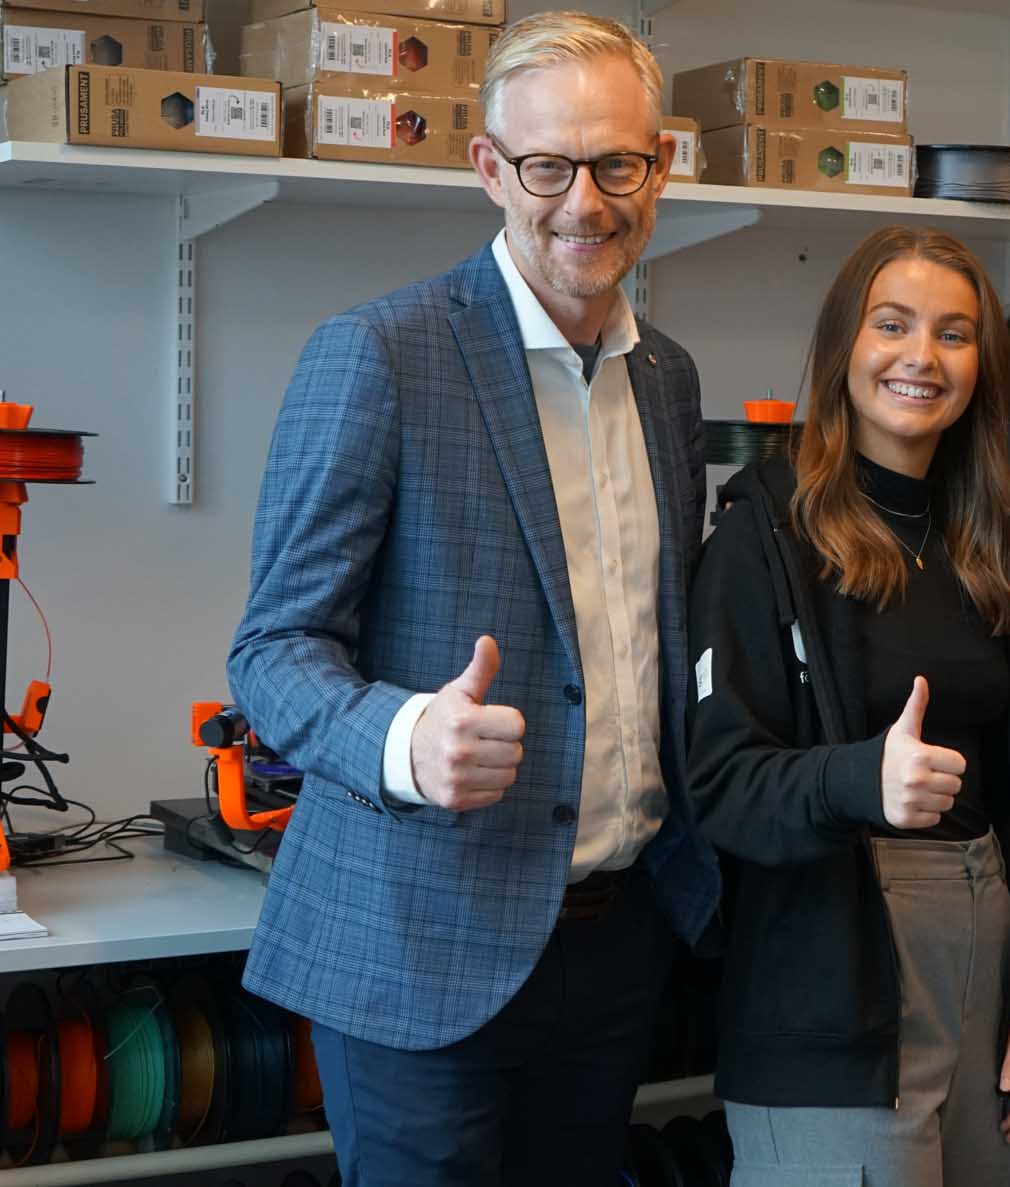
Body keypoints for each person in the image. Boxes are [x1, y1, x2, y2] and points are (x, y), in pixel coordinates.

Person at [225, 12, 718, 1185]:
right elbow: (273, 646)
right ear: (490, 169)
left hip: (612, 942)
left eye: (617, 164)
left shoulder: (667, 377)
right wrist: (403, 737)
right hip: (417, 944)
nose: (584, 203)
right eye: (547, 166)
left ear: (661, 164)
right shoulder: (380, 354)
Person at [686, 225, 1010, 1187]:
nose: (921, 356)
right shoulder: (762, 537)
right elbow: (720, 783)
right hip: (829, 989)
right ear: (842, 349)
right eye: (892, 324)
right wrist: (859, 778)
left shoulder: (988, 544)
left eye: (954, 333)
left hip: (985, 972)